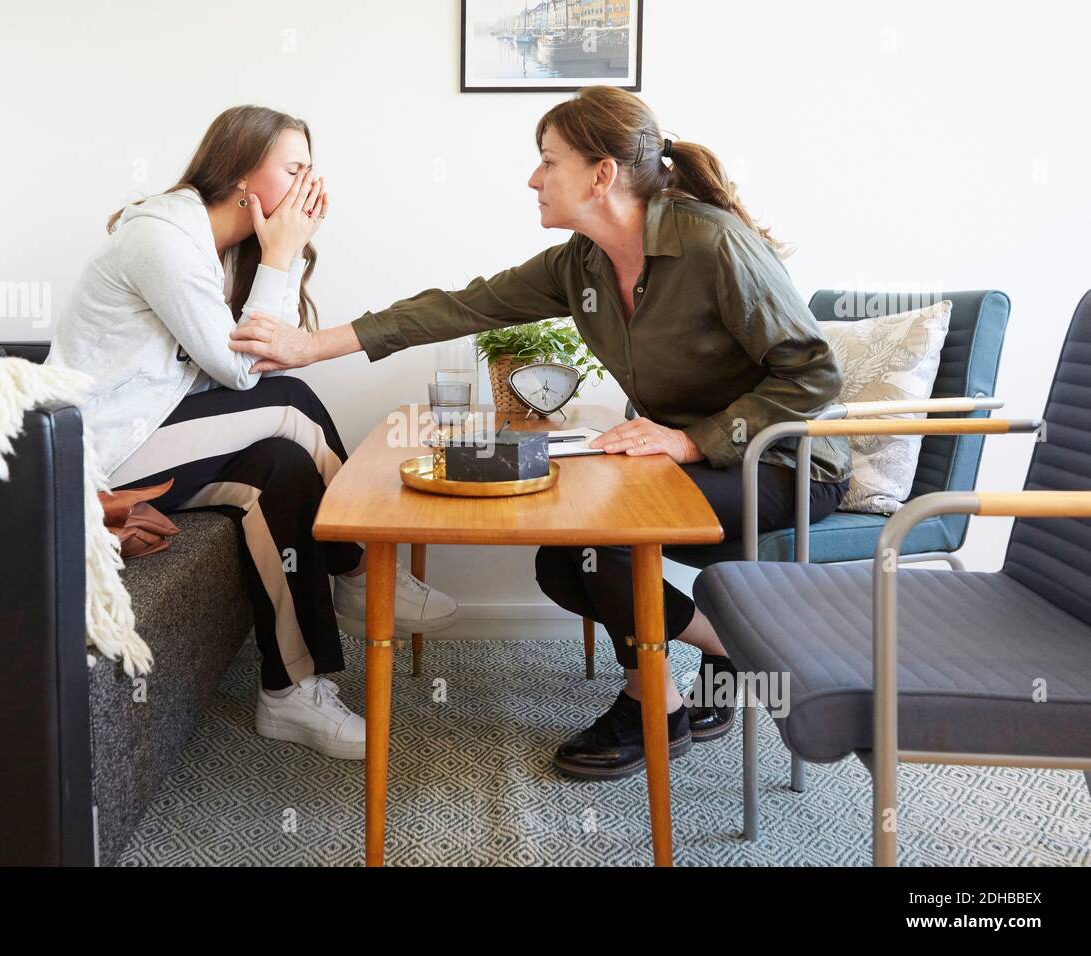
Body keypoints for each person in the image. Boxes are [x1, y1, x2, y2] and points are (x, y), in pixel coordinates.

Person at [227, 87, 853, 780]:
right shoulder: (581, 263)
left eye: (547, 161)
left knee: (610, 544)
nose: (533, 178)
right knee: (564, 561)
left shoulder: (712, 245)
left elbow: (813, 377)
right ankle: (729, 647)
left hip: (784, 465)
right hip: (688, 464)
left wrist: (689, 440)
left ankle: (654, 701)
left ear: (601, 174)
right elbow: (459, 306)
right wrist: (310, 347)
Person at [44, 105, 459, 761]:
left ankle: (292, 692)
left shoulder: (216, 249)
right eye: (294, 169)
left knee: (282, 467)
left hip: (154, 434)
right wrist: (283, 253)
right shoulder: (161, 238)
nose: (307, 186)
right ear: (241, 173)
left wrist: (276, 258)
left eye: (310, 170)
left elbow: (265, 353)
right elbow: (249, 370)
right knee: (289, 403)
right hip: (100, 452)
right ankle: (361, 568)